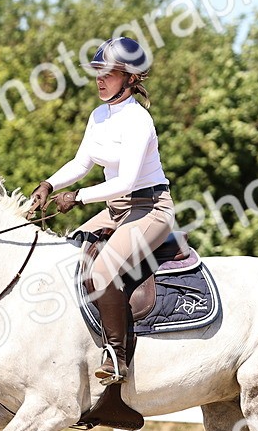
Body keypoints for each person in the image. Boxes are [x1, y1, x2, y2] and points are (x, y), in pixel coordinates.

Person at [26, 36, 175, 385]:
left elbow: (125, 181)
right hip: (116, 209)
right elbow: (81, 163)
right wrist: (50, 184)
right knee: (67, 250)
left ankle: (117, 358)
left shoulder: (138, 121)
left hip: (150, 208)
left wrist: (78, 198)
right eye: (98, 72)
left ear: (130, 79)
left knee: (105, 268)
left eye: (109, 72)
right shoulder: (99, 115)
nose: (100, 78)